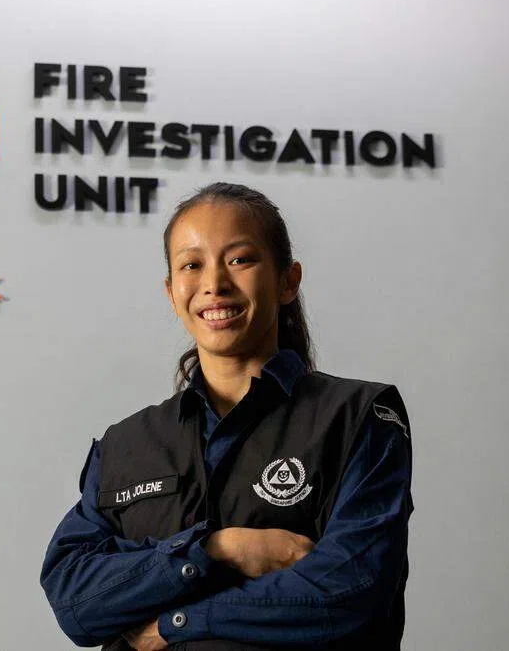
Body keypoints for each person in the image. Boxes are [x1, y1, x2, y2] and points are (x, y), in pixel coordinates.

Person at [39, 183, 413, 650]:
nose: (214, 283)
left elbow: (350, 588)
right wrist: (219, 549)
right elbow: (75, 600)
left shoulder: (358, 417)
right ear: (172, 292)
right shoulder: (124, 445)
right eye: (192, 265)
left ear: (288, 280)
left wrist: (175, 621)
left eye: (239, 259)